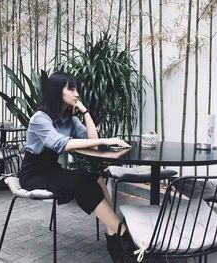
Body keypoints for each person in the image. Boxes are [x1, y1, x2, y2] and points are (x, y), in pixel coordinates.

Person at [19, 71, 135, 262]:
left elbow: (94, 143)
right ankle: (124, 236)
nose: (77, 93)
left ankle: (112, 232)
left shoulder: (69, 119)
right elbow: (62, 144)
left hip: (51, 170)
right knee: (81, 178)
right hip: (33, 173)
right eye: (71, 89)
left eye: (77, 89)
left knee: (95, 176)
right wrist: (110, 139)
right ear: (57, 91)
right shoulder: (40, 118)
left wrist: (85, 111)